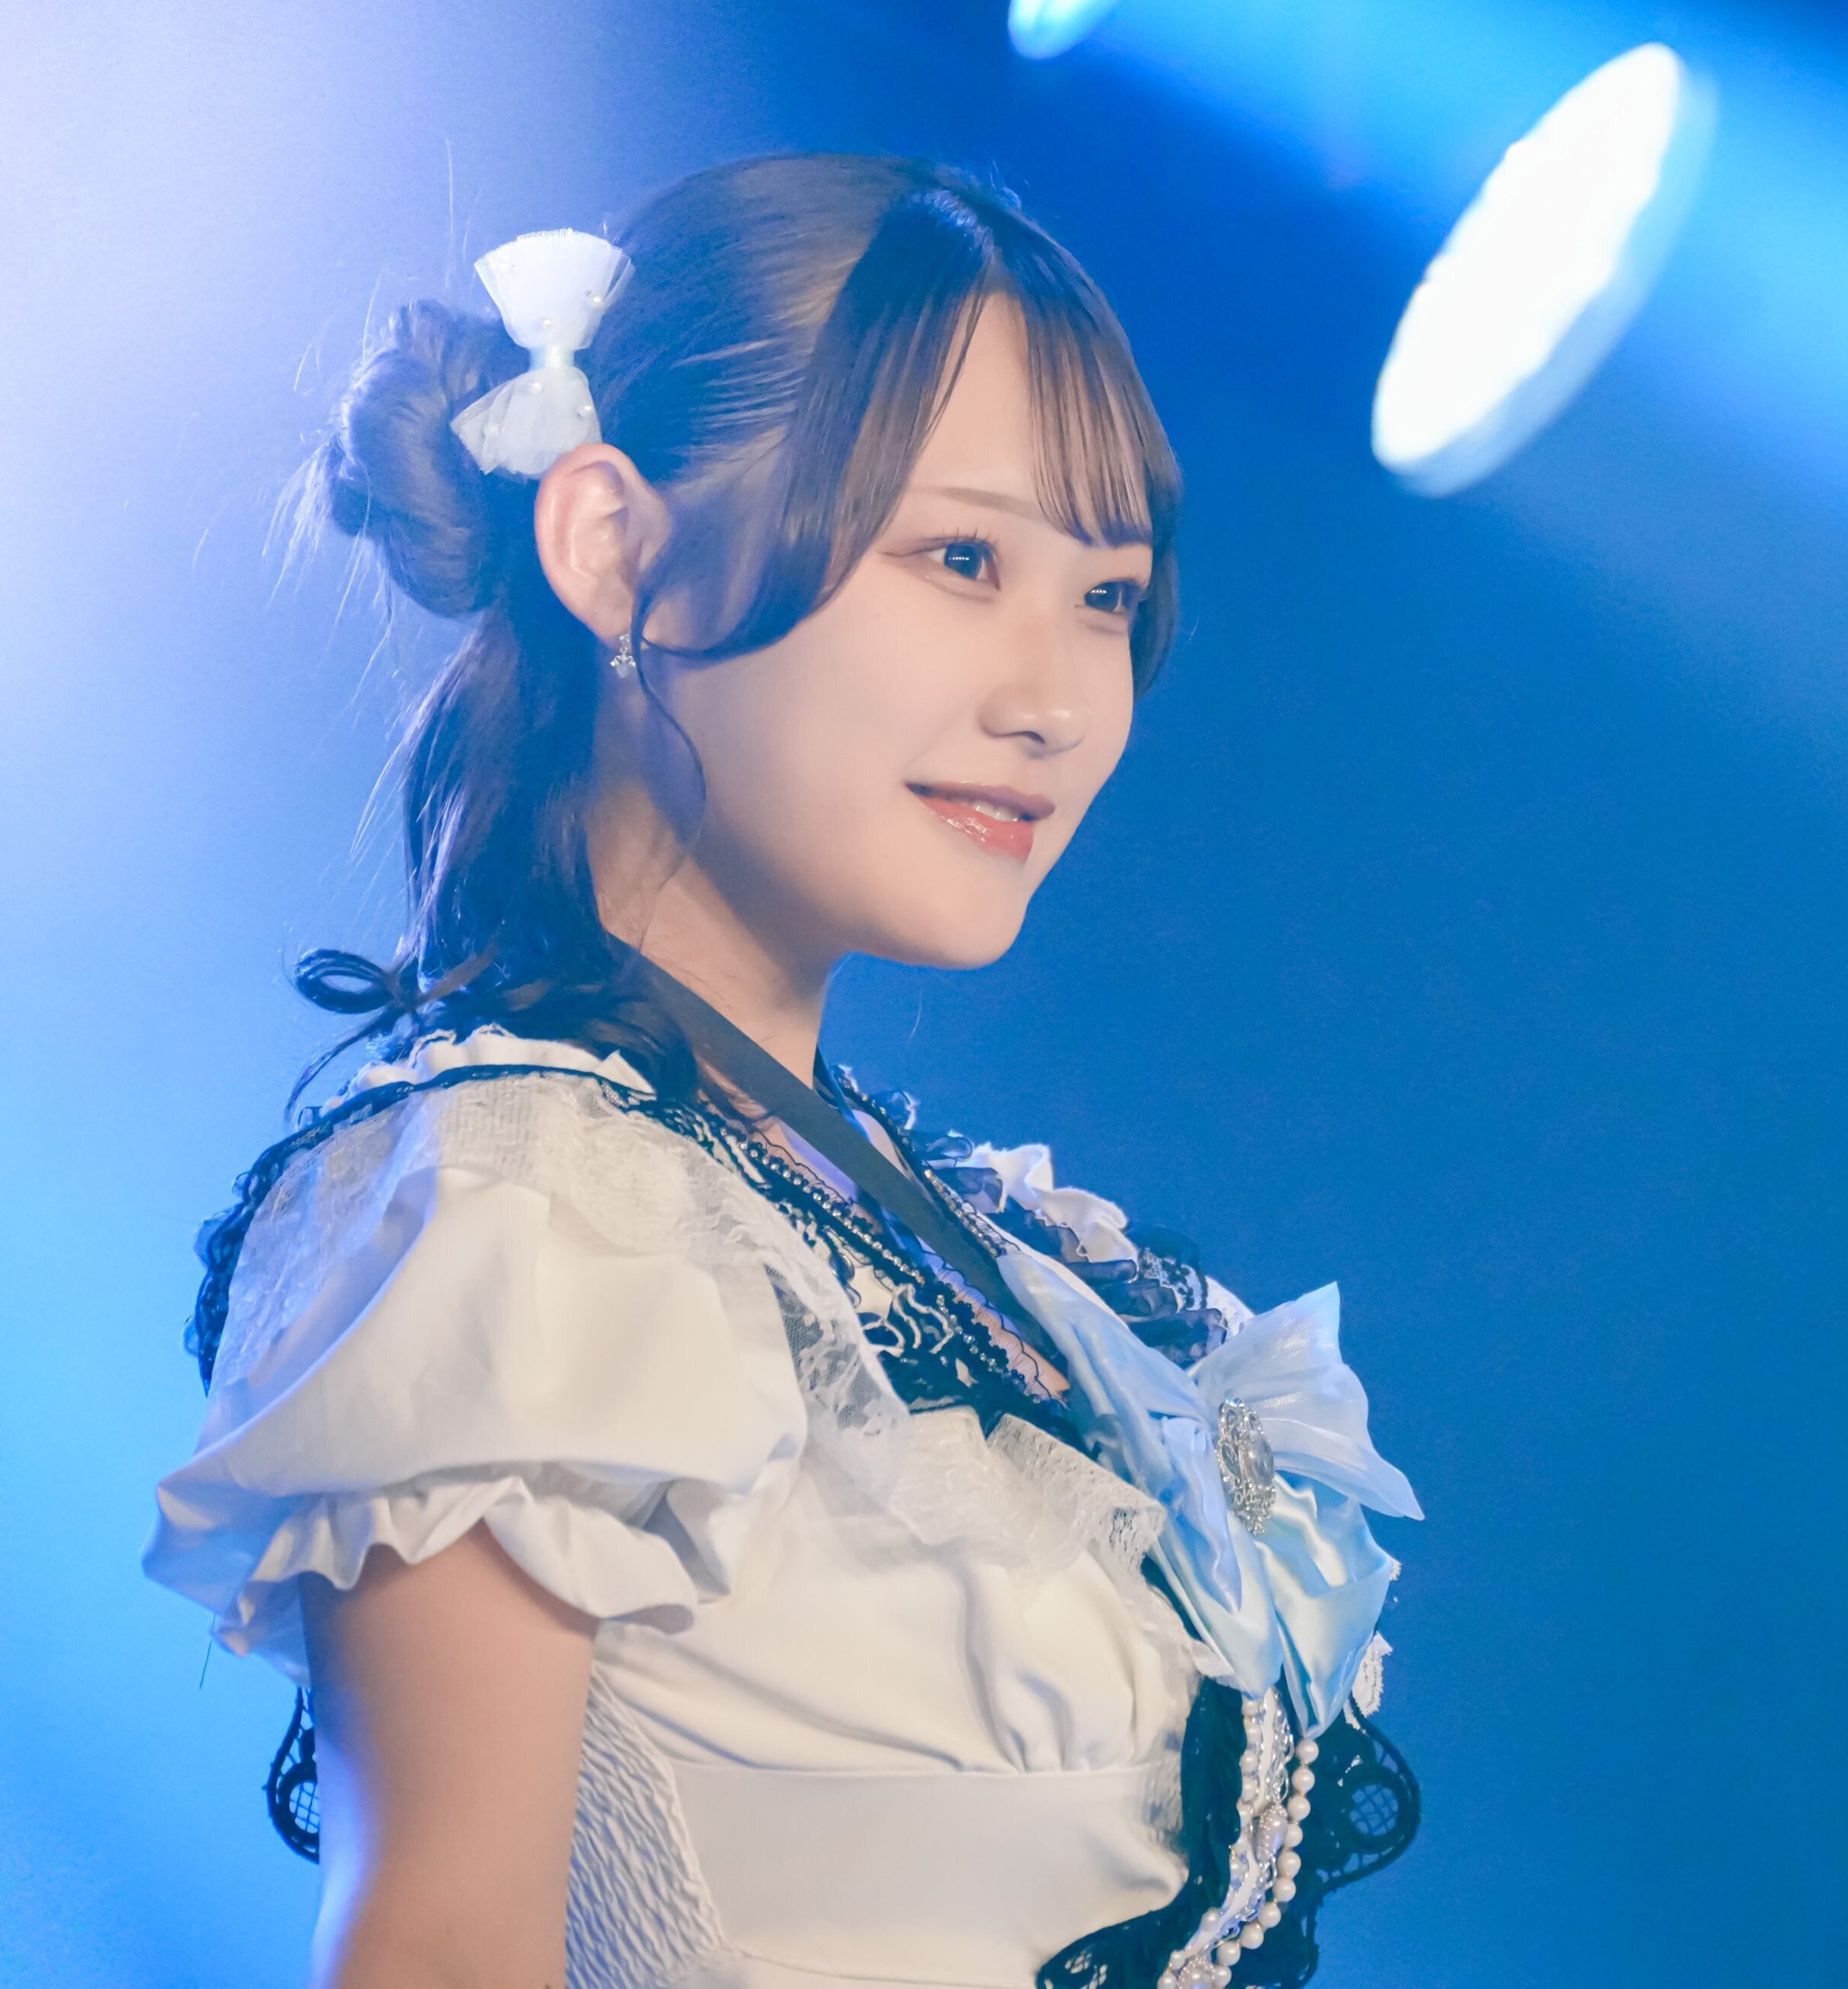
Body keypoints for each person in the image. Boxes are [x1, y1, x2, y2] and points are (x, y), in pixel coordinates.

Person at [142, 156, 1422, 1989]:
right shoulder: (523, 1202)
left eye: (1107, 595)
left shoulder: (929, 1231)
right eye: (962, 560)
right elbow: (435, 1951)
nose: (1057, 698)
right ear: (611, 550)